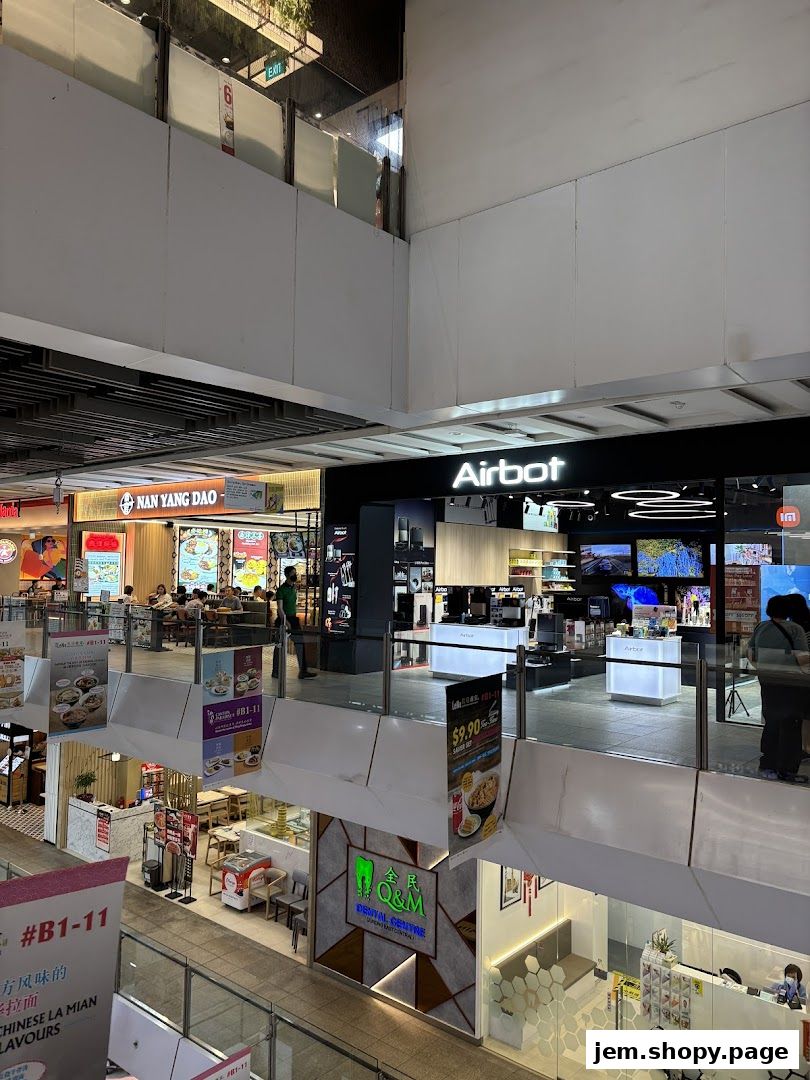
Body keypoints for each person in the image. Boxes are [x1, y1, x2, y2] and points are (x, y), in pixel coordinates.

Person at [747, 595, 809, 783]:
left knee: (771, 721)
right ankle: (787, 770)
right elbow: (802, 658)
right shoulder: (795, 629)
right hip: (791, 682)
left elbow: (751, 654)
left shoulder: (761, 627)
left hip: (767, 680)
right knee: (791, 724)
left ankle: (767, 765)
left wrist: (763, 668)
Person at [274, 566, 315, 679]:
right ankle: (276, 671)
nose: (295, 575)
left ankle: (303, 671)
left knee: (300, 643)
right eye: (293, 573)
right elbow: (280, 608)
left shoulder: (294, 588)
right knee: (279, 645)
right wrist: (286, 622)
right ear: (287, 575)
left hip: (293, 619)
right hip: (283, 620)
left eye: (295, 573)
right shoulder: (281, 590)